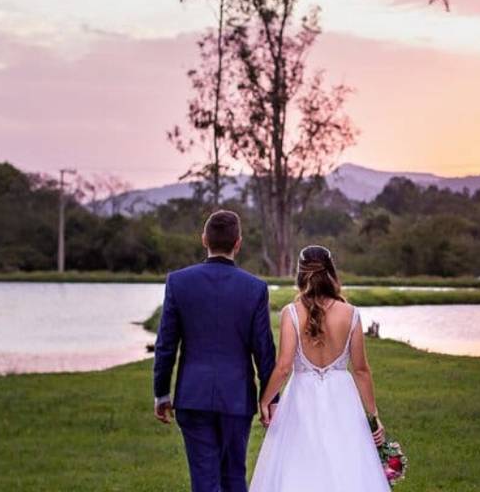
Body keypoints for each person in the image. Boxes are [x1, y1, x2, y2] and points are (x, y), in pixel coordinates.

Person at [152, 210, 277, 492]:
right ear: (238, 243)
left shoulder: (178, 282)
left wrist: (162, 393)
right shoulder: (255, 288)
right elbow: (263, 348)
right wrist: (270, 398)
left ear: (204, 239)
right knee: (234, 476)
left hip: (193, 397)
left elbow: (166, 344)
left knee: (204, 481)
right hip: (236, 397)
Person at [249, 245, 391, 492]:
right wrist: (373, 415)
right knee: (345, 463)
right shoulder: (351, 313)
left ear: (301, 274)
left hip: (301, 396)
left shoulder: (291, 313)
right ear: (331, 272)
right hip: (342, 397)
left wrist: (266, 400)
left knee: (299, 463)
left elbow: (283, 367)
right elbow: (361, 370)